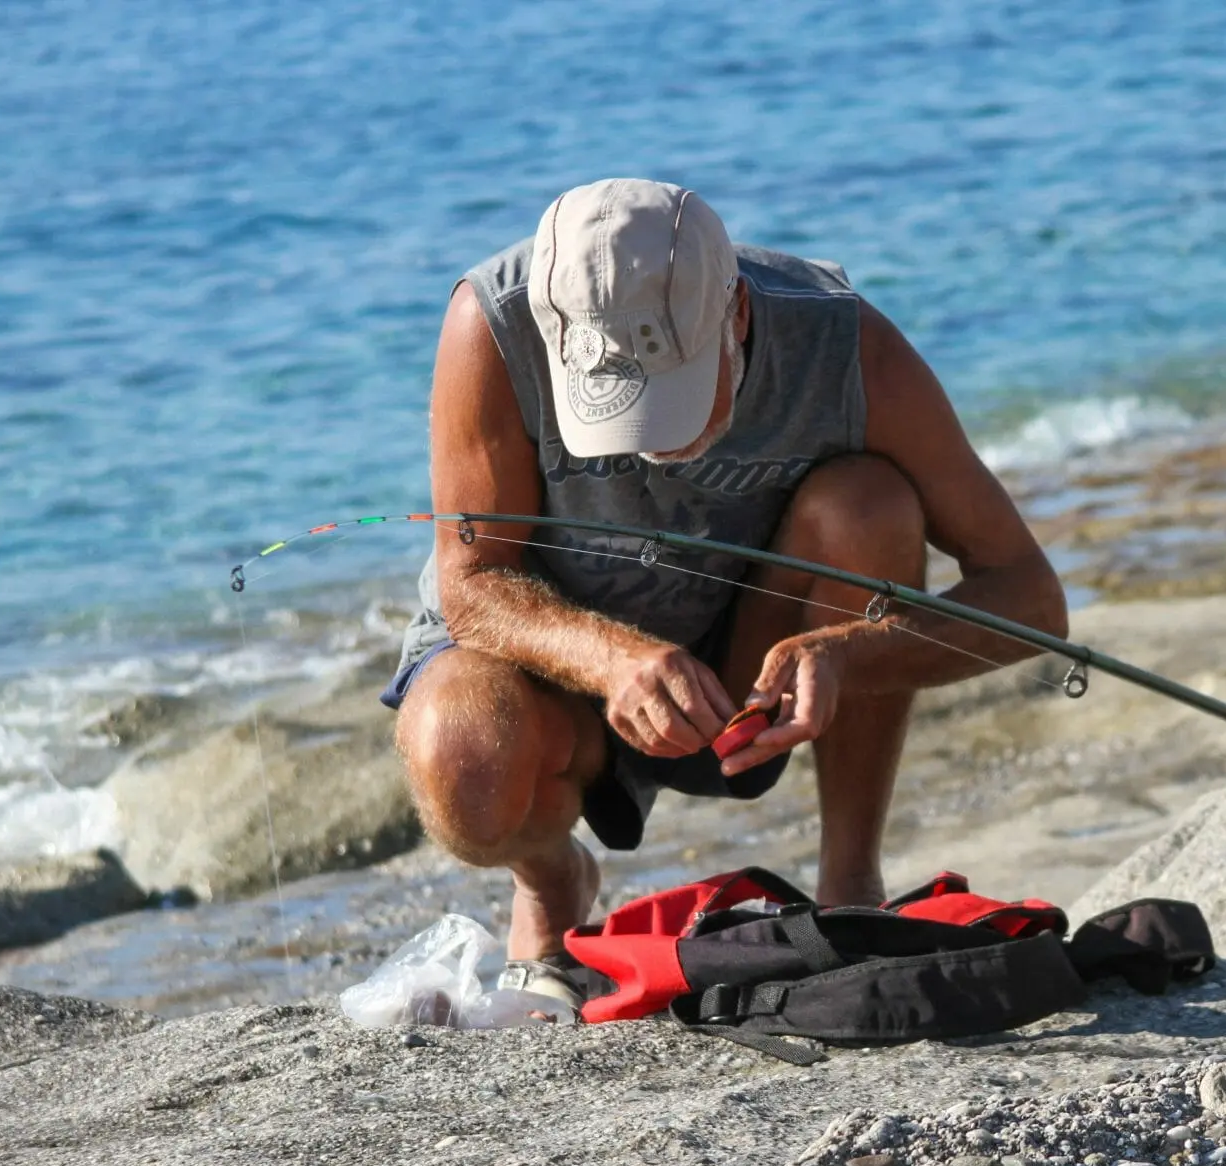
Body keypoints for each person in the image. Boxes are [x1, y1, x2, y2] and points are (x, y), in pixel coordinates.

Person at [382, 178, 1067, 1013]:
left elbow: (1032, 600)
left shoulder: (844, 345)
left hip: (745, 675)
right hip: (552, 673)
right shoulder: (491, 325)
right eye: (616, 405)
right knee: (460, 756)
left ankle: (851, 881)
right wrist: (613, 659)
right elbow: (472, 587)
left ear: (736, 313)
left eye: (670, 391)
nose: (648, 443)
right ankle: (551, 878)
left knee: (869, 506)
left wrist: (850, 653)